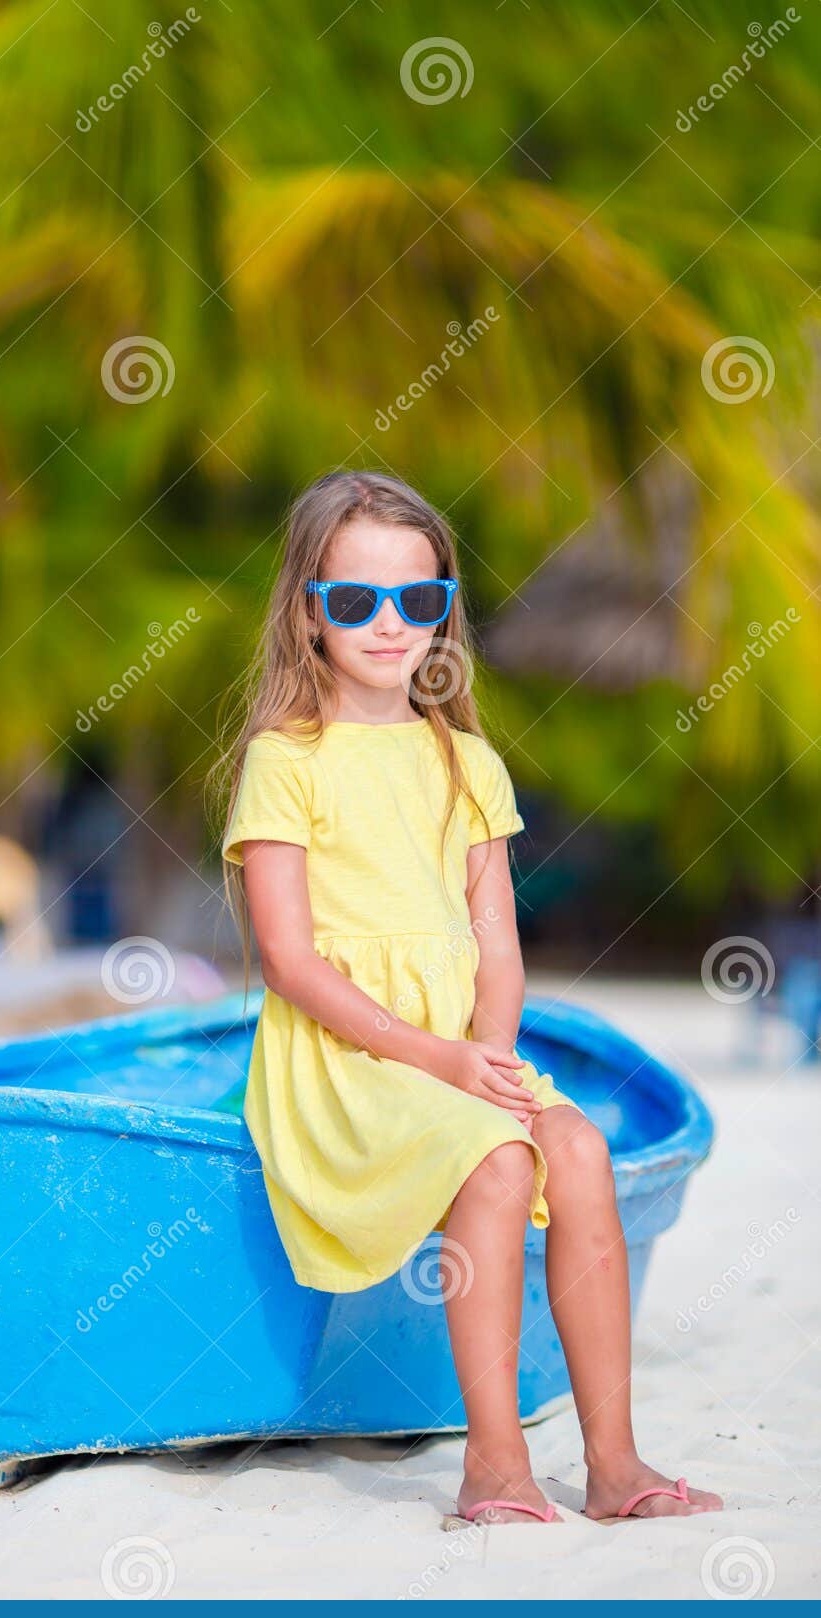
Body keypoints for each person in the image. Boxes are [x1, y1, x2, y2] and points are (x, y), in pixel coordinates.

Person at [216, 470, 722, 1529]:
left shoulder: (466, 762)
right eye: (354, 600)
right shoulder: (283, 760)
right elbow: (289, 959)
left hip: (454, 1050)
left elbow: (496, 944)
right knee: (494, 1160)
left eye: (418, 599)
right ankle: (492, 1463)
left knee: (575, 1147)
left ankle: (614, 1460)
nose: (387, 623)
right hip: (345, 1061)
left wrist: (484, 1056)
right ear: (308, 610)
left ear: (445, 609)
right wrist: (444, 1069)